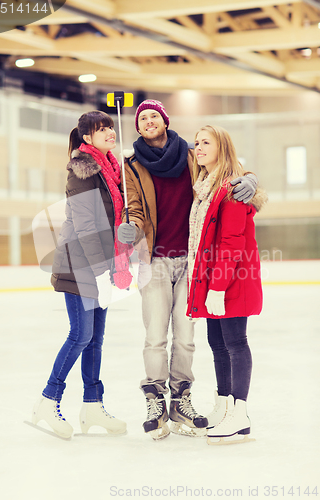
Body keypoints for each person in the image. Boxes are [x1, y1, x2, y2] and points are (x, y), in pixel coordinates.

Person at [118, 100, 258, 440]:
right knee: (155, 336)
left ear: (165, 121)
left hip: (193, 262)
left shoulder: (191, 155)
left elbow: (227, 168)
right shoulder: (133, 166)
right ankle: (155, 398)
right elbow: (134, 209)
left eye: (154, 115)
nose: (149, 121)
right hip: (155, 260)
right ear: (138, 128)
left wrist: (251, 179)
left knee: (186, 336)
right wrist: (131, 229)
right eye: (142, 118)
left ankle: (181, 398)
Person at [32, 110, 131, 439]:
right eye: (101, 129)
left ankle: (92, 405)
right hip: (80, 265)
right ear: (87, 137)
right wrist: (102, 272)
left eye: (111, 127)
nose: (109, 133)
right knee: (80, 335)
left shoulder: (112, 170)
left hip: (102, 265)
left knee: (95, 340)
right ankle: (49, 399)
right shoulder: (83, 171)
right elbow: (87, 227)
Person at [186, 125, 267, 445]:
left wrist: (218, 288)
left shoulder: (233, 189)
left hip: (231, 281)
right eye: (197, 143)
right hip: (212, 280)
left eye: (207, 142)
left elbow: (232, 242)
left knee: (235, 343)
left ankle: (240, 412)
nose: (199, 147)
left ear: (223, 148)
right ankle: (224, 404)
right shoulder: (204, 186)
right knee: (217, 344)